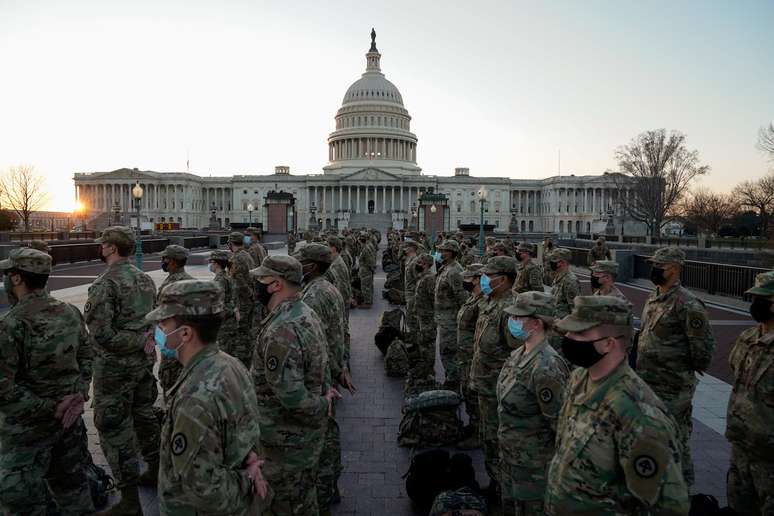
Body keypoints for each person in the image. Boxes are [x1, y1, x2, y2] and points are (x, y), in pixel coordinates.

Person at [545, 296, 689, 515]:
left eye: (579, 333)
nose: (568, 338)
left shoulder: (639, 415)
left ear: (608, 344)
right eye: (568, 331)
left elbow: (668, 506)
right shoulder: (579, 378)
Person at [148, 280, 268, 514]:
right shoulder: (231, 364)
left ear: (185, 333)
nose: (158, 331)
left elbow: (206, 492)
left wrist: (247, 479)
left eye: (163, 323)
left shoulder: (194, 399)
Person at [0, 248, 95, 515]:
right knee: (74, 492)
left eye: (9, 273)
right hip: (70, 424)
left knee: (21, 502)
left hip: (26, 434)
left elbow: (3, 388)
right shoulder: (69, 312)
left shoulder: (11, 324)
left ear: (17, 279)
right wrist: (78, 396)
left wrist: (49, 408)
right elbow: (87, 355)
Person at [251, 255, 341, 515]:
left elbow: (292, 397)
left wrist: (324, 403)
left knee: (287, 504)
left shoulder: (283, 329)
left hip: (285, 444)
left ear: (276, 284)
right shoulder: (303, 313)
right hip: (301, 440)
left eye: (261, 279)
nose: (257, 284)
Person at [84, 226, 160, 514]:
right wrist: (145, 341)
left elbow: (101, 335)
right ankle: (156, 468)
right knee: (144, 417)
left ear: (112, 248)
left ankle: (129, 501)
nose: (100, 248)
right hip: (142, 364)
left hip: (115, 370)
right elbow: (151, 321)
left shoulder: (104, 285)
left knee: (114, 430)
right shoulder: (145, 280)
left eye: (103, 244)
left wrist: (138, 340)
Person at [637, 247, 715, 489]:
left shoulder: (688, 304)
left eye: (660, 265)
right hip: (649, 383)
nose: (655, 269)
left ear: (675, 268)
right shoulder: (654, 296)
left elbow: (702, 348)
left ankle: (682, 490)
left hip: (673, 388)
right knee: (654, 439)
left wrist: (679, 368)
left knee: (675, 441)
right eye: (654, 264)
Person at [498, 291, 569, 515]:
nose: (513, 321)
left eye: (519, 318)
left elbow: (559, 424)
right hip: (512, 458)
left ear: (537, 323)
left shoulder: (546, 366)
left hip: (534, 468)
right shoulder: (519, 353)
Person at [293, 243, 349, 512]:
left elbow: (315, 340)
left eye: (300, 261)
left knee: (321, 436)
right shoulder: (326, 288)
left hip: (319, 372)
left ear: (312, 266)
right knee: (326, 431)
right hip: (328, 368)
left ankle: (324, 489)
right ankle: (329, 486)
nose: (297, 265)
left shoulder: (314, 295)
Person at [469, 255, 519, 497]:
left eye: (490, 275)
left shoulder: (511, 309)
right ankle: (495, 482)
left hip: (498, 386)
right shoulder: (490, 302)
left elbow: (517, 352)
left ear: (504, 279)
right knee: (487, 437)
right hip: (485, 382)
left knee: (497, 438)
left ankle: (503, 490)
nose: (485, 279)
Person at [726, 271, 774, 515]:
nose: (756, 304)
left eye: (763, 299)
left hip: (769, 455)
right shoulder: (748, 337)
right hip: (741, 445)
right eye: (754, 298)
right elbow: (735, 370)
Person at [157, 244, 194, 397]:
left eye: (164, 258)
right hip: (189, 340)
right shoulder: (192, 281)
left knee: (171, 382)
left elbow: (161, 315)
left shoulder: (170, 284)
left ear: (172, 261)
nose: (162, 261)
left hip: (172, 340)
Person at [456, 263, 485, 449]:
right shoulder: (472, 298)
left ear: (476, 279)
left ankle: (478, 433)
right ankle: (472, 426)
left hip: (473, 357)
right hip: (465, 355)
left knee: (474, 395)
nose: (464, 281)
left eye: (467, 278)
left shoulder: (482, 302)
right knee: (467, 391)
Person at [434, 239, 469, 391]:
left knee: (448, 351)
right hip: (444, 317)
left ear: (452, 253)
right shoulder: (447, 268)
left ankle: (453, 381)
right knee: (445, 350)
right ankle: (452, 378)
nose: (441, 253)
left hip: (451, 319)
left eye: (444, 251)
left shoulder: (455, 271)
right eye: (440, 250)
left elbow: (462, 297)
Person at [208, 249, 245, 366]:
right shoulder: (227, 277)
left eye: (211, 262)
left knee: (224, 356)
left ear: (217, 263)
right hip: (231, 321)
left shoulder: (220, 280)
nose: (210, 265)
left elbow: (219, 304)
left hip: (224, 324)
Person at [407, 253, 437, 394]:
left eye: (421, 262)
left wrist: (431, 315)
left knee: (428, 346)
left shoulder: (430, 279)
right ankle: (425, 369)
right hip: (421, 317)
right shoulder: (422, 277)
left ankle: (429, 373)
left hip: (428, 319)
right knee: (423, 345)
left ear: (427, 264)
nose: (418, 264)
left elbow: (433, 299)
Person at [228, 231, 258, 365]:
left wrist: (248, 296)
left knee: (241, 331)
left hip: (242, 300)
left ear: (230, 243)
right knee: (248, 330)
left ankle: (243, 361)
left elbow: (239, 281)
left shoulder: (235, 258)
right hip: (249, 298)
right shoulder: (247, 255)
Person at [548, 248, 580, 319]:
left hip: (563, 324)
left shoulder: (570, 281)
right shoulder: (559, 275)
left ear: (562, 262)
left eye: (554, 259)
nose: (551, 262)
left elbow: (575, 309)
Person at [402, 240, 421, 344]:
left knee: (412, 318)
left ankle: (415, 341)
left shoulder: (415, 261)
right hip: (409, 293)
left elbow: (418, 279)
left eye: (406, 247)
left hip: (413, 294)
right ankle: (414, 338)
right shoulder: (410, 259)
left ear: (412, 248)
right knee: (410, 317)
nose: (404, 249)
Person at [357, 232, 376, 308]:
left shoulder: (365, 249)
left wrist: (371, 269)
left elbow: (369, 261)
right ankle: (369, 300)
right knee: (368, 285)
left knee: (365, 286)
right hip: (366, 270)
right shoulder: (365, 247)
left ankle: (368, 303)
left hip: (366, 270)